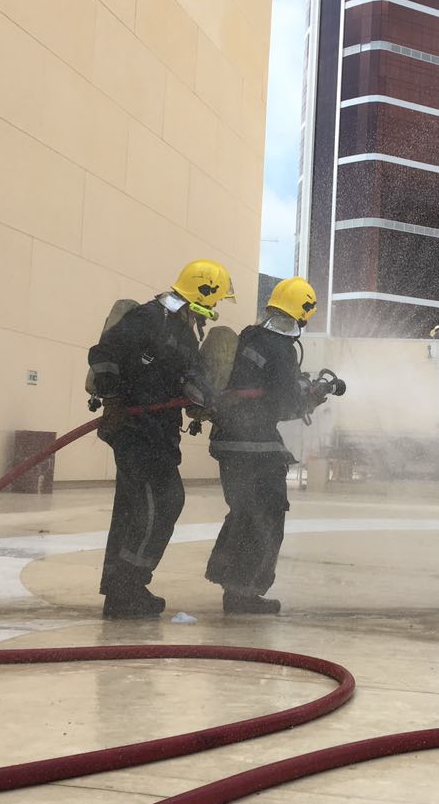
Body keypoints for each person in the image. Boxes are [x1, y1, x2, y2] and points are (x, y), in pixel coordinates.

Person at [87, 260, 233, 618]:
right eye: (215, 298)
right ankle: (128, 585)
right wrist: (113, 399)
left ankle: (121, 590)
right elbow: (103, 354)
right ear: (203, 293)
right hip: (136, 430)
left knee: (135, 507)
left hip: (157, 432)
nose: (215, 306)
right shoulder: (151, 317)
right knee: (164, 502)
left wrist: (205, 397)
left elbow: (184, 377)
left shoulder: (183, 330)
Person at [205, 277, 324, 614]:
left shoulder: (249, 336)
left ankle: (230, 581)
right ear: (302, 313)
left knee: (243, 511)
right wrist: (311, 399)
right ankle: (243, 593)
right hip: (255, 444)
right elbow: (285, 404)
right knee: (266, 515)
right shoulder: (281, 347)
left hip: (227, 441)